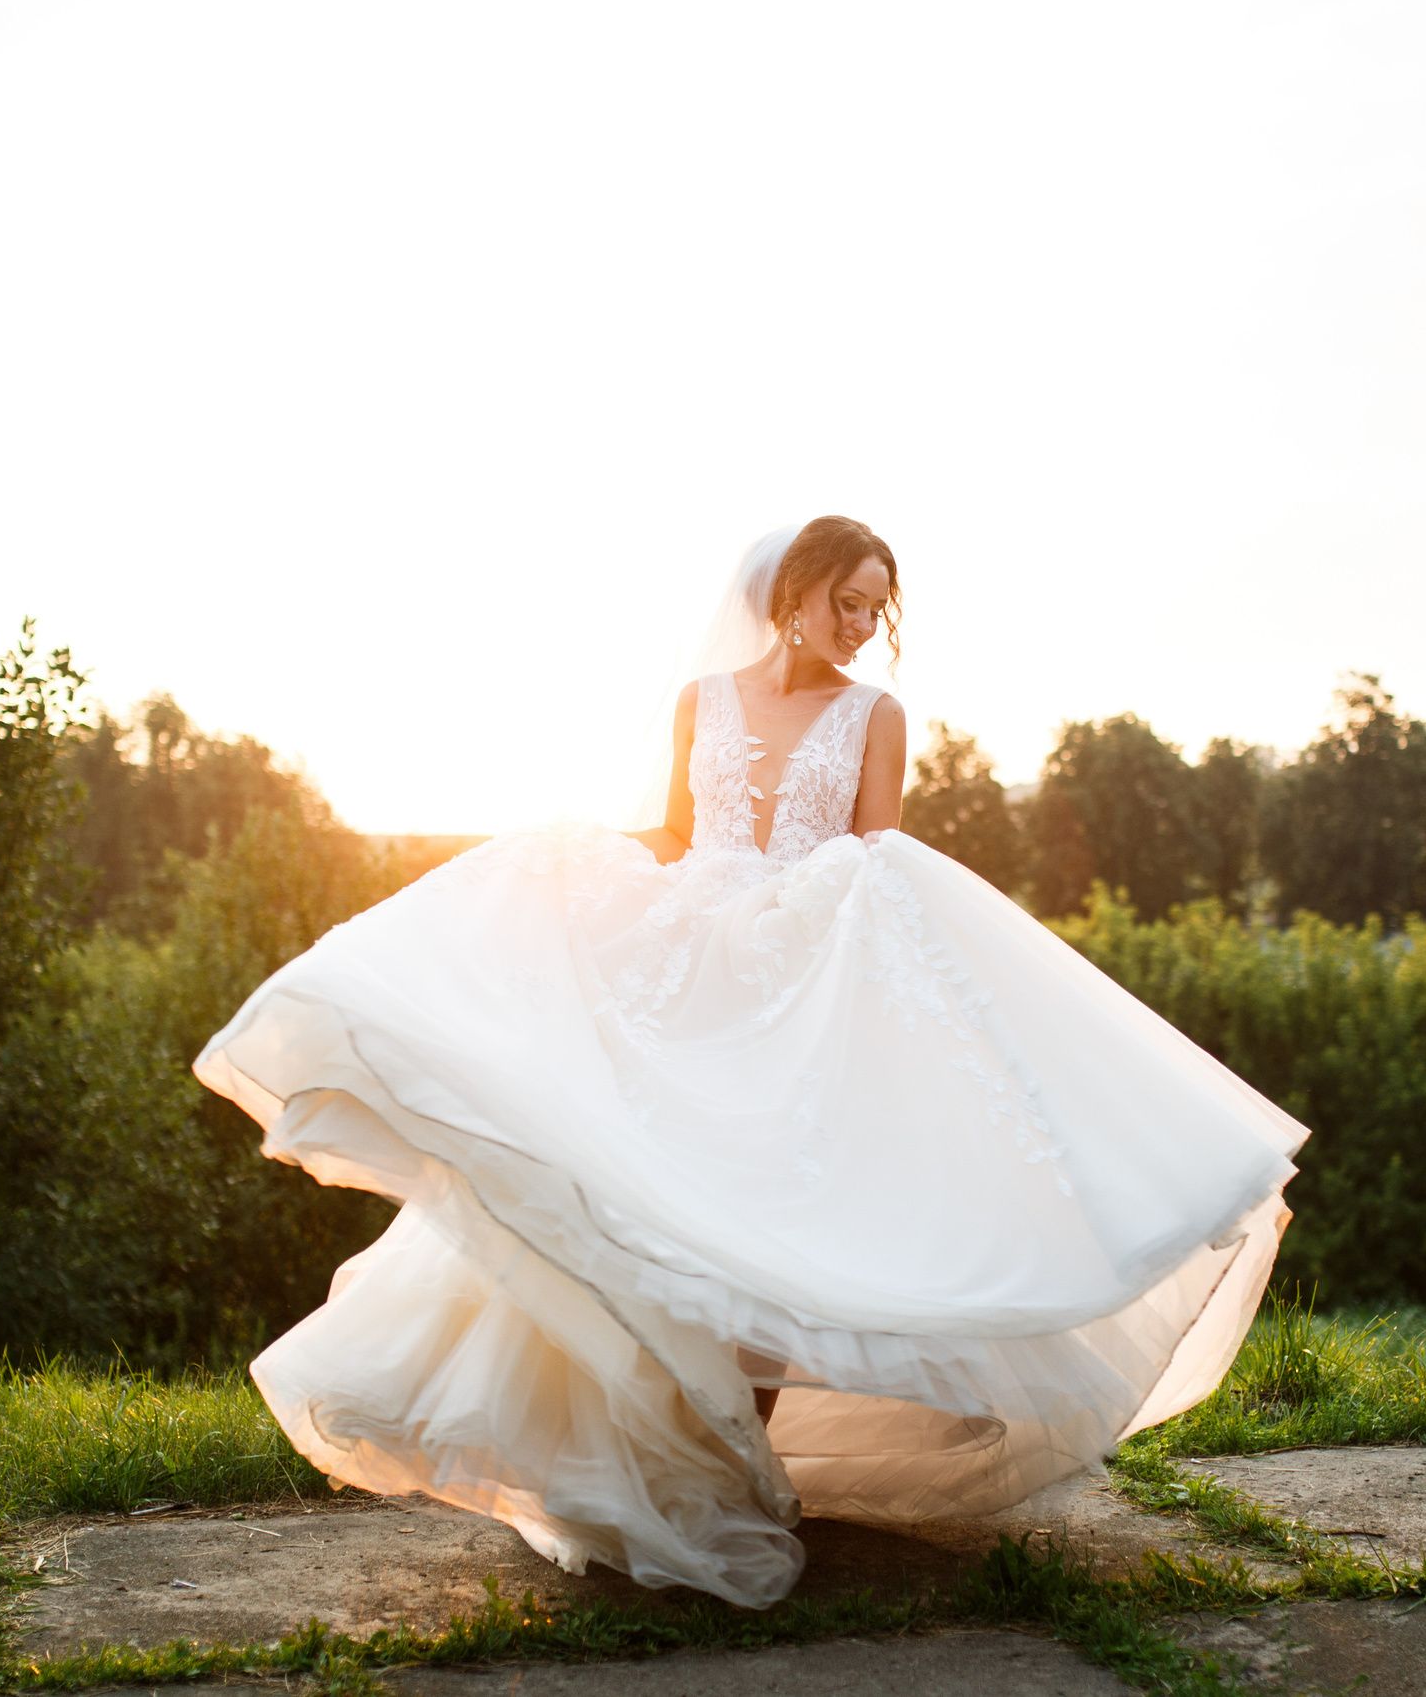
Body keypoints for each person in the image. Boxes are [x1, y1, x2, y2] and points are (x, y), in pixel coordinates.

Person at [194, 516, 1306, 1609]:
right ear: (792, 599)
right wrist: (582, 862)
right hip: (690, 964)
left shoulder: (876, 715)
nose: (865, 626)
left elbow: (873, 859)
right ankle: (663, 1467)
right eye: (850, 601)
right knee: (652, 1210)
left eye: (880, 608)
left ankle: (736, 1477)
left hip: (804, 977)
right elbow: (681, 838)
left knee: (770, 1223)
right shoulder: (701, 703)